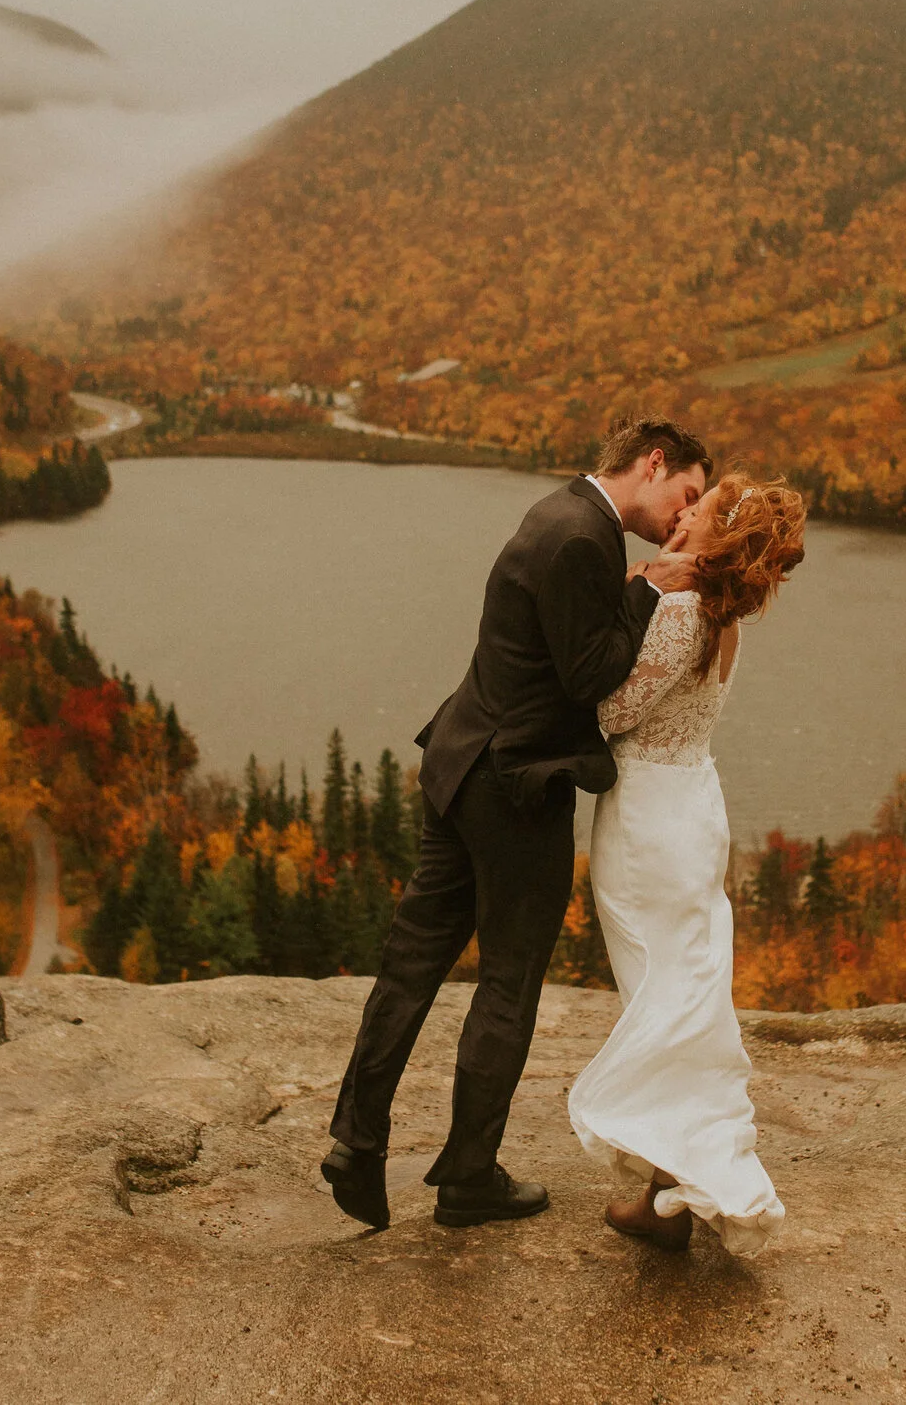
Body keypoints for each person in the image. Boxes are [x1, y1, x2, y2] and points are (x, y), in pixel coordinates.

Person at [321, 417, 713, 1230]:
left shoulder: (559, 512)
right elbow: (590, 678)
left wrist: (635, 582)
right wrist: (650, 589)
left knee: (411, 962)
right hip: (516, 787)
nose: (687, 512)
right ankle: (468, 1176)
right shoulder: (583, 540)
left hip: (461, 761)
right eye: (687, 491)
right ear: (653, 462)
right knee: (508, 981)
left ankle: (356, 1141)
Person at [568, 475, 806, 1255]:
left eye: (695, 512)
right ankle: (672, 1191)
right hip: (693, 805)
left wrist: (633, 588)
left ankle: (674, 1190)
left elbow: (612, 712)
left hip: (650, 819)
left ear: (714, 536)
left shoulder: (678, 611)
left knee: (661, 993)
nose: (680, 514)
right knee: (686, 989)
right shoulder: (724, 618)